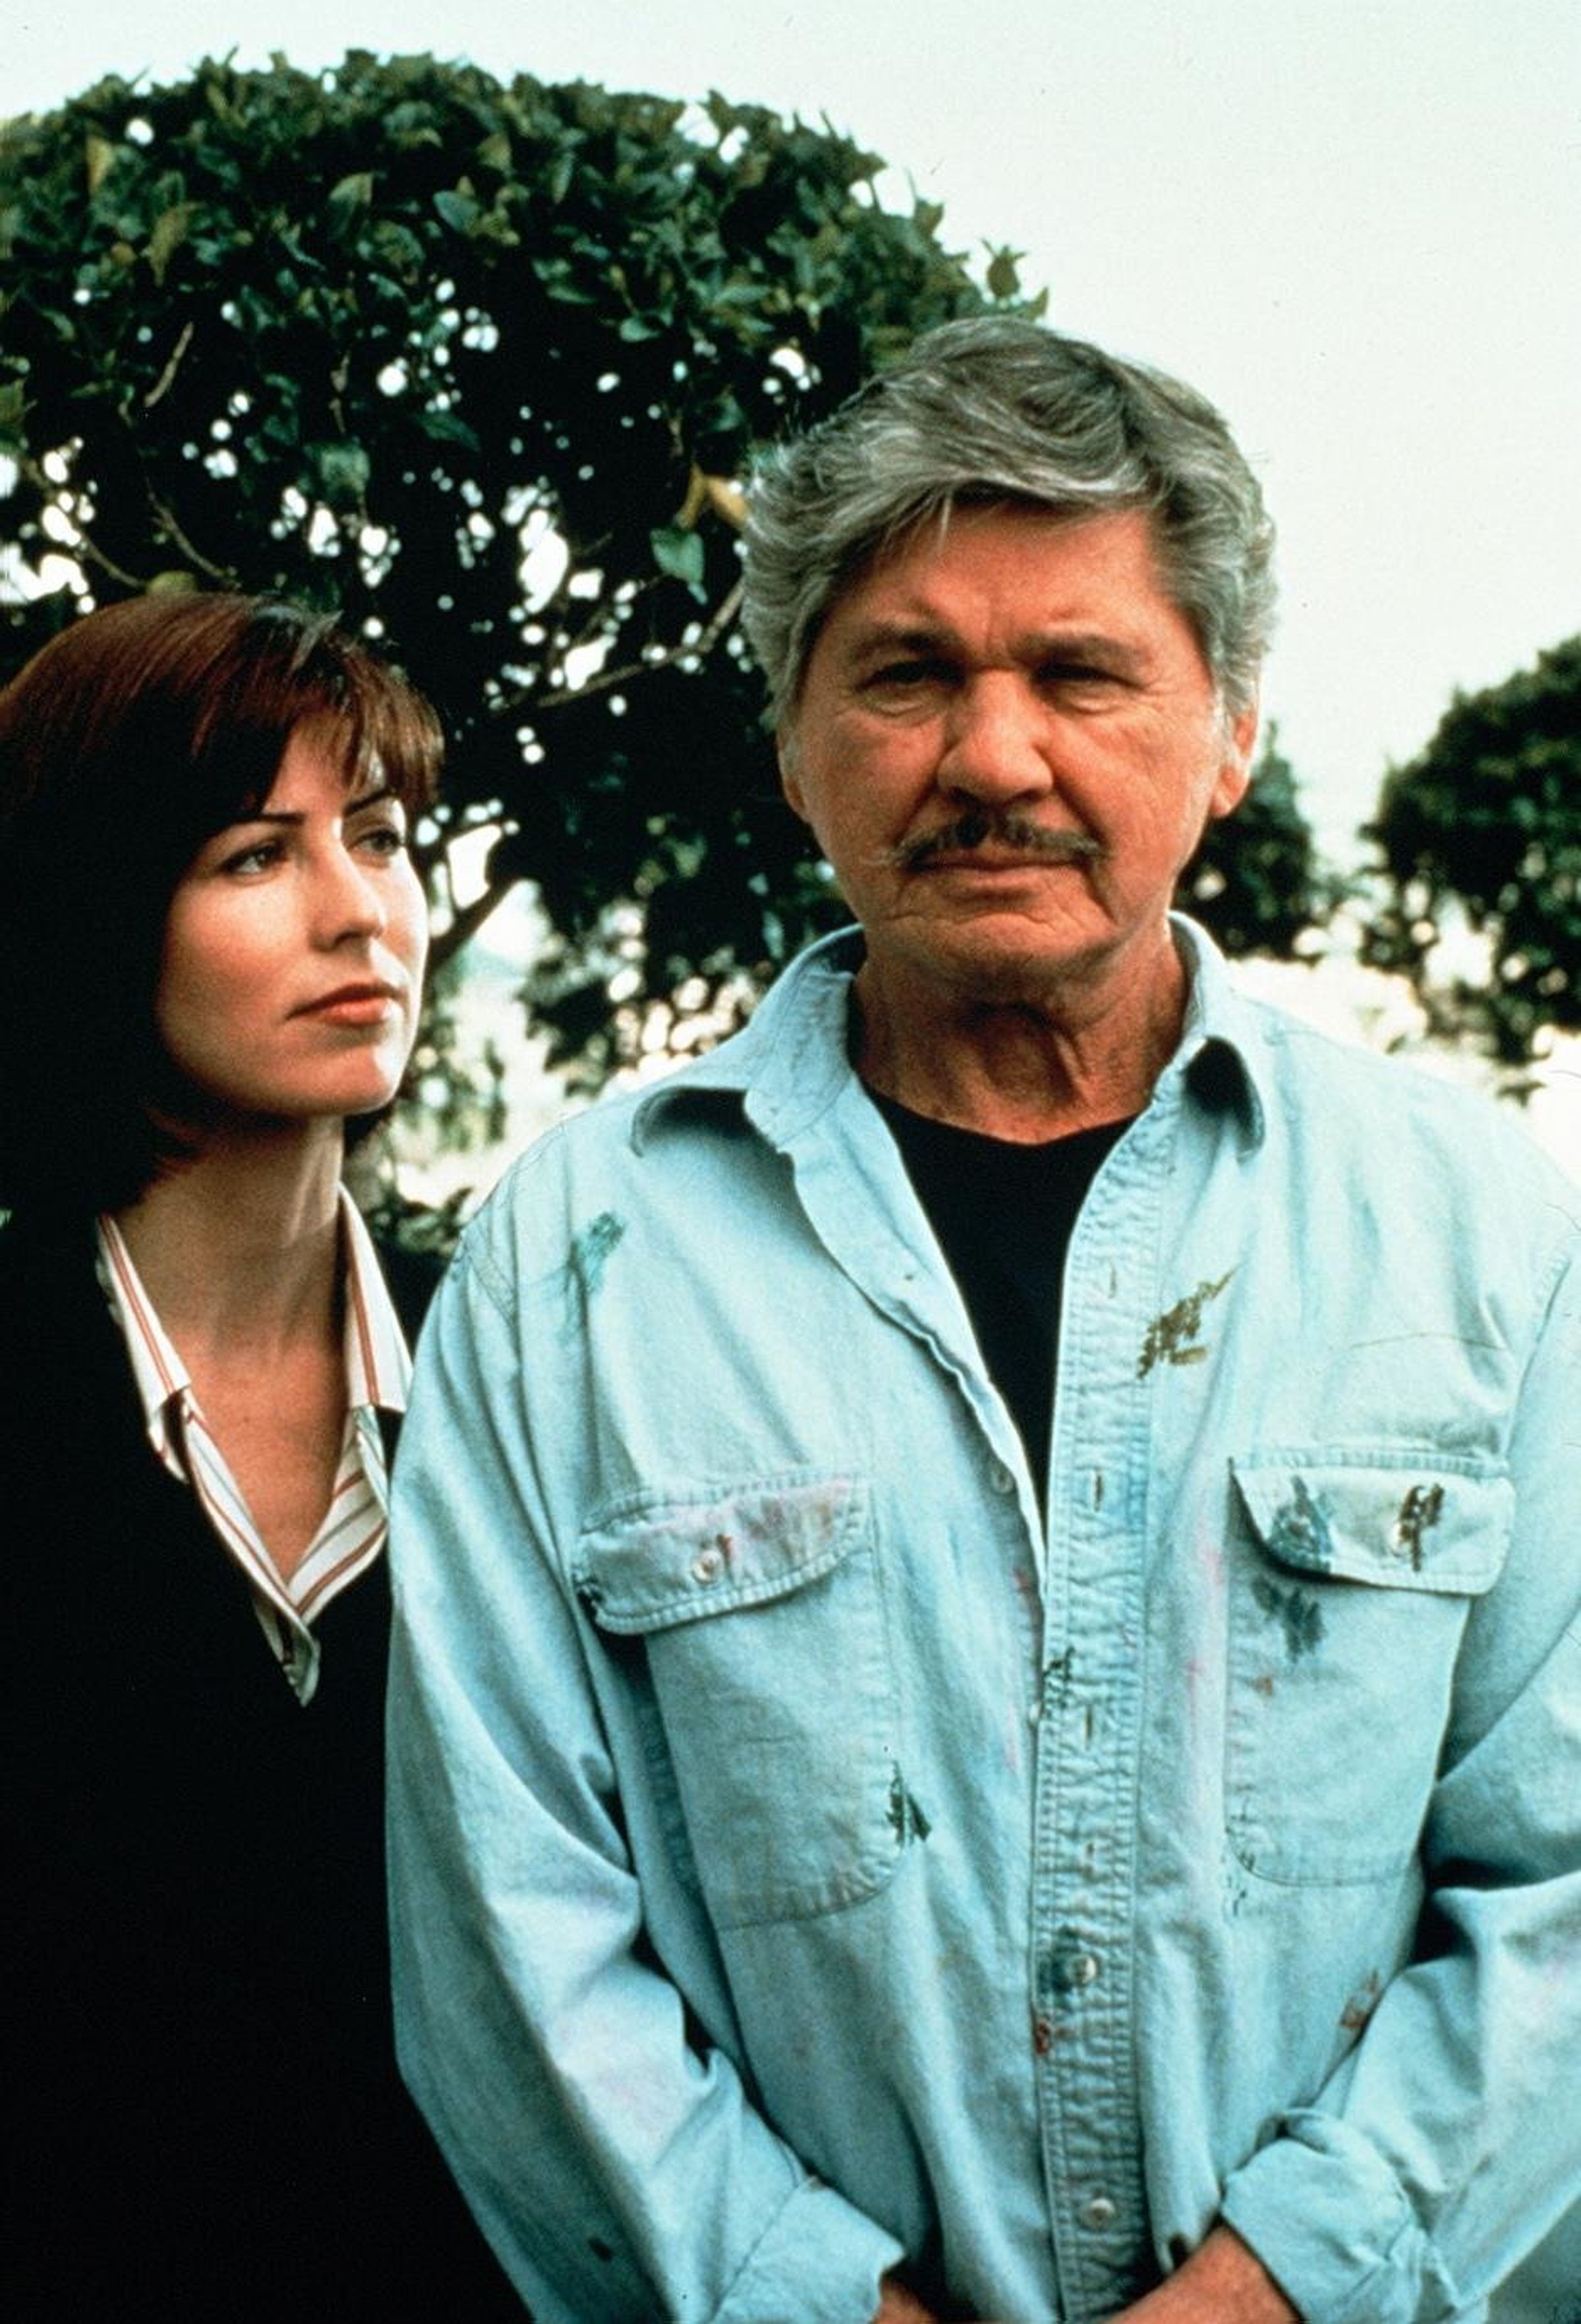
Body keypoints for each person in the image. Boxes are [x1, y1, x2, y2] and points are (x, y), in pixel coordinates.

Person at [385, 320, 1580, 2323]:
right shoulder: (570, 1268)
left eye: (1082, 674)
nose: (995, 758)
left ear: (1230, 733)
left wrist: (1276, 2292)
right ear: (794, 744)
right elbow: (514, 1944)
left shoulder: (1478, 1238)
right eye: (908, 674)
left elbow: (1555, 1892)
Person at [0, 594, 518, 2318]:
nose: (357, 908)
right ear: (94, 912)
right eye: (255, 855)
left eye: (379, 837)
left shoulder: (523, 1382)